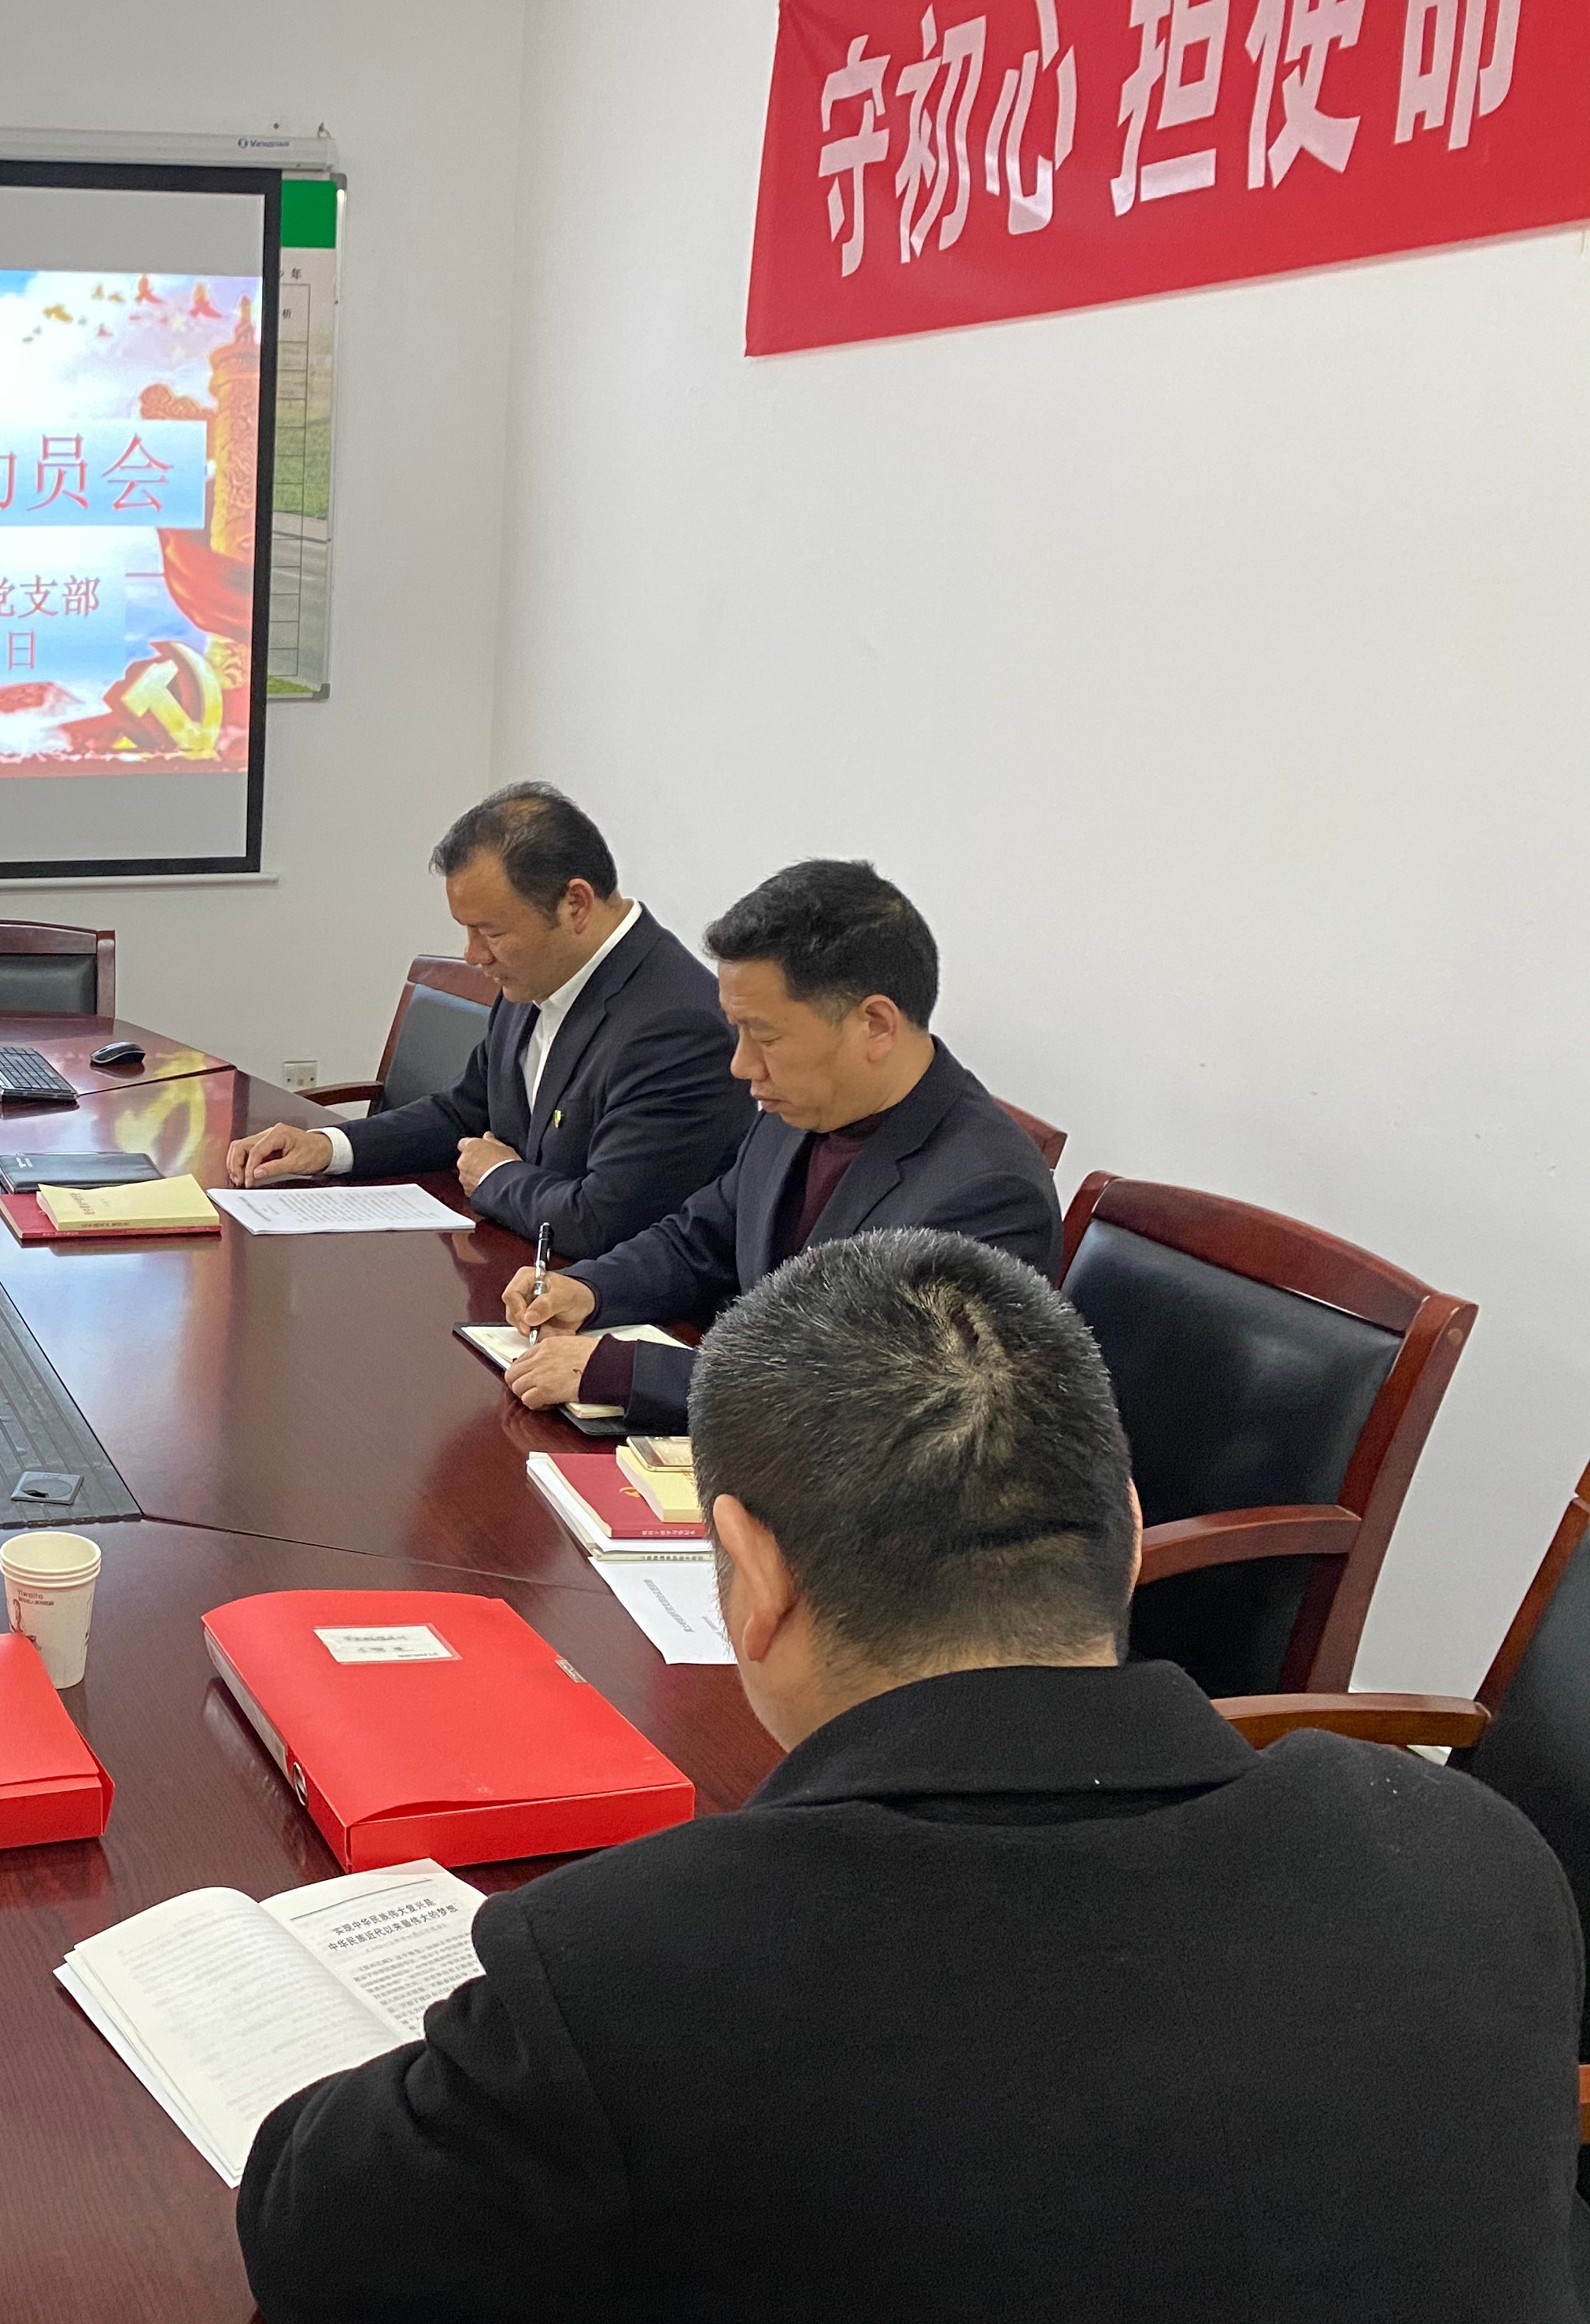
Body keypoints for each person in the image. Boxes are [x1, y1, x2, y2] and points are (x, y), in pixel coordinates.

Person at [240, 1229, 1587, 2322]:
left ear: (752, 1573)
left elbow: (311, 2233)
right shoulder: (1474, 1861)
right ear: (1125, 1534)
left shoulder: (634, 1968)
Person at [496, 858, 1056, 1431]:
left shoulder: (990, 1193)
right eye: (737, 1031)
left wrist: (626, 1371)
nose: (741, 1065)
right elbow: (702, 1239)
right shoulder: (801, 1106)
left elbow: (877, 1398)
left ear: (876, 1025)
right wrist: (590, 1288)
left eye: (764, 1036)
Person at [223, 784, 747, 1255]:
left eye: (490, 932)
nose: (473, 955)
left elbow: (602, 1222)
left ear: (576, 904)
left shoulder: (677, 1028)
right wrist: (329, 1146)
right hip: (515, 1265)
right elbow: (464, 1112)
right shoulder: (535, 976)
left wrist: (497, 1175)